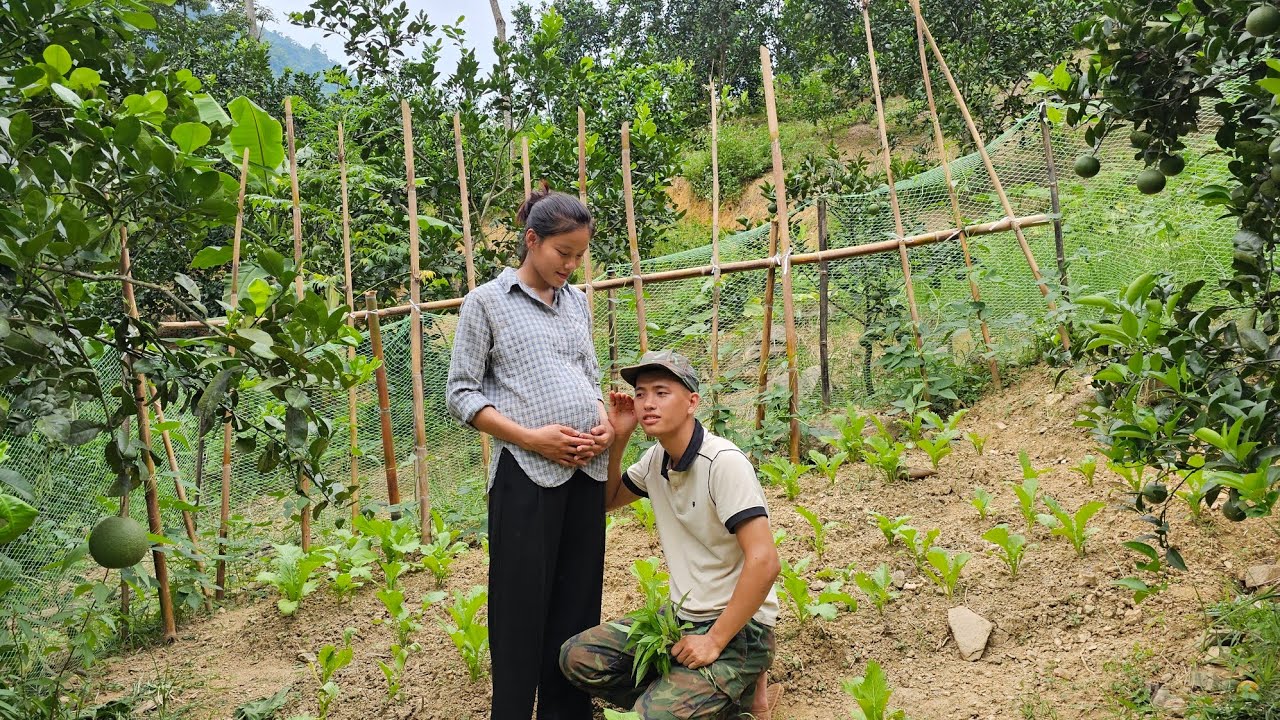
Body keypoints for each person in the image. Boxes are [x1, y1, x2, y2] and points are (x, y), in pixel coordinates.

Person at [446, 186, 613, 720]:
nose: (571, 264)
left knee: (578, 603)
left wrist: (605, 423)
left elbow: (589, 376)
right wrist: (529, 436)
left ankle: (567, 712)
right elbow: (462, 393)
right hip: (527, 475)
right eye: (563, 253)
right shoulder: (487, 303)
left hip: (585, 472)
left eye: (579, 256)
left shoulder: (577, 304)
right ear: (531, 240)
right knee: (520, 610)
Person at [559, 350, 784, 719]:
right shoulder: (655, 460)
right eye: (641, 393)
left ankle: (733, 685)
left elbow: (765, 561)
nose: (648, 403)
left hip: (740, 628)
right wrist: (620, 436)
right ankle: (704, 695)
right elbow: (608, 499)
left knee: (652, 717)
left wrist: (714, 640)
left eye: (661, 392)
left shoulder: (723, 463)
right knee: (577, 657)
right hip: (681, 619)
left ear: (692, 402)